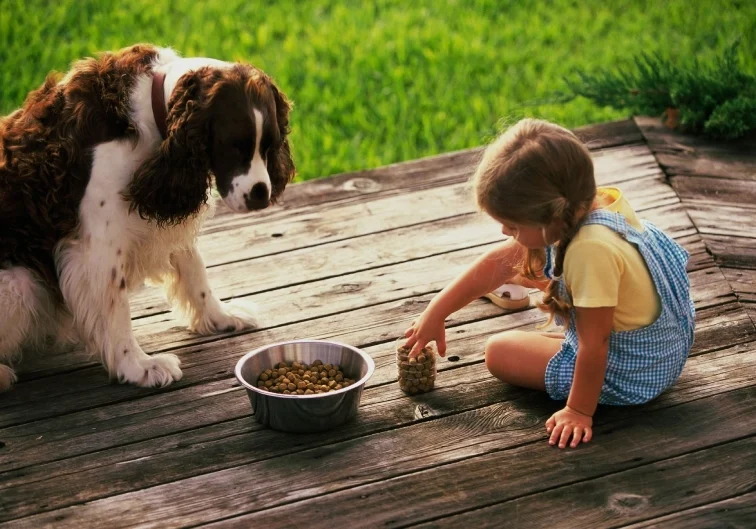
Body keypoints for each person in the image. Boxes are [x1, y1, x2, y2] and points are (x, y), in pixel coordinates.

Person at [403, 118, 695, 449]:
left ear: (552, 217)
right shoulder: (592, 203)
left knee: (499, 351)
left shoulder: (589, 249)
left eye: (512, 225)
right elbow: (498, 263)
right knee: (524, 269)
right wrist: (436, 312)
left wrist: (578, 411)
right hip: (667, 347)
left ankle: (584, 393)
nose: (505, 233)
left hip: (637, 373)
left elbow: (595, 345)